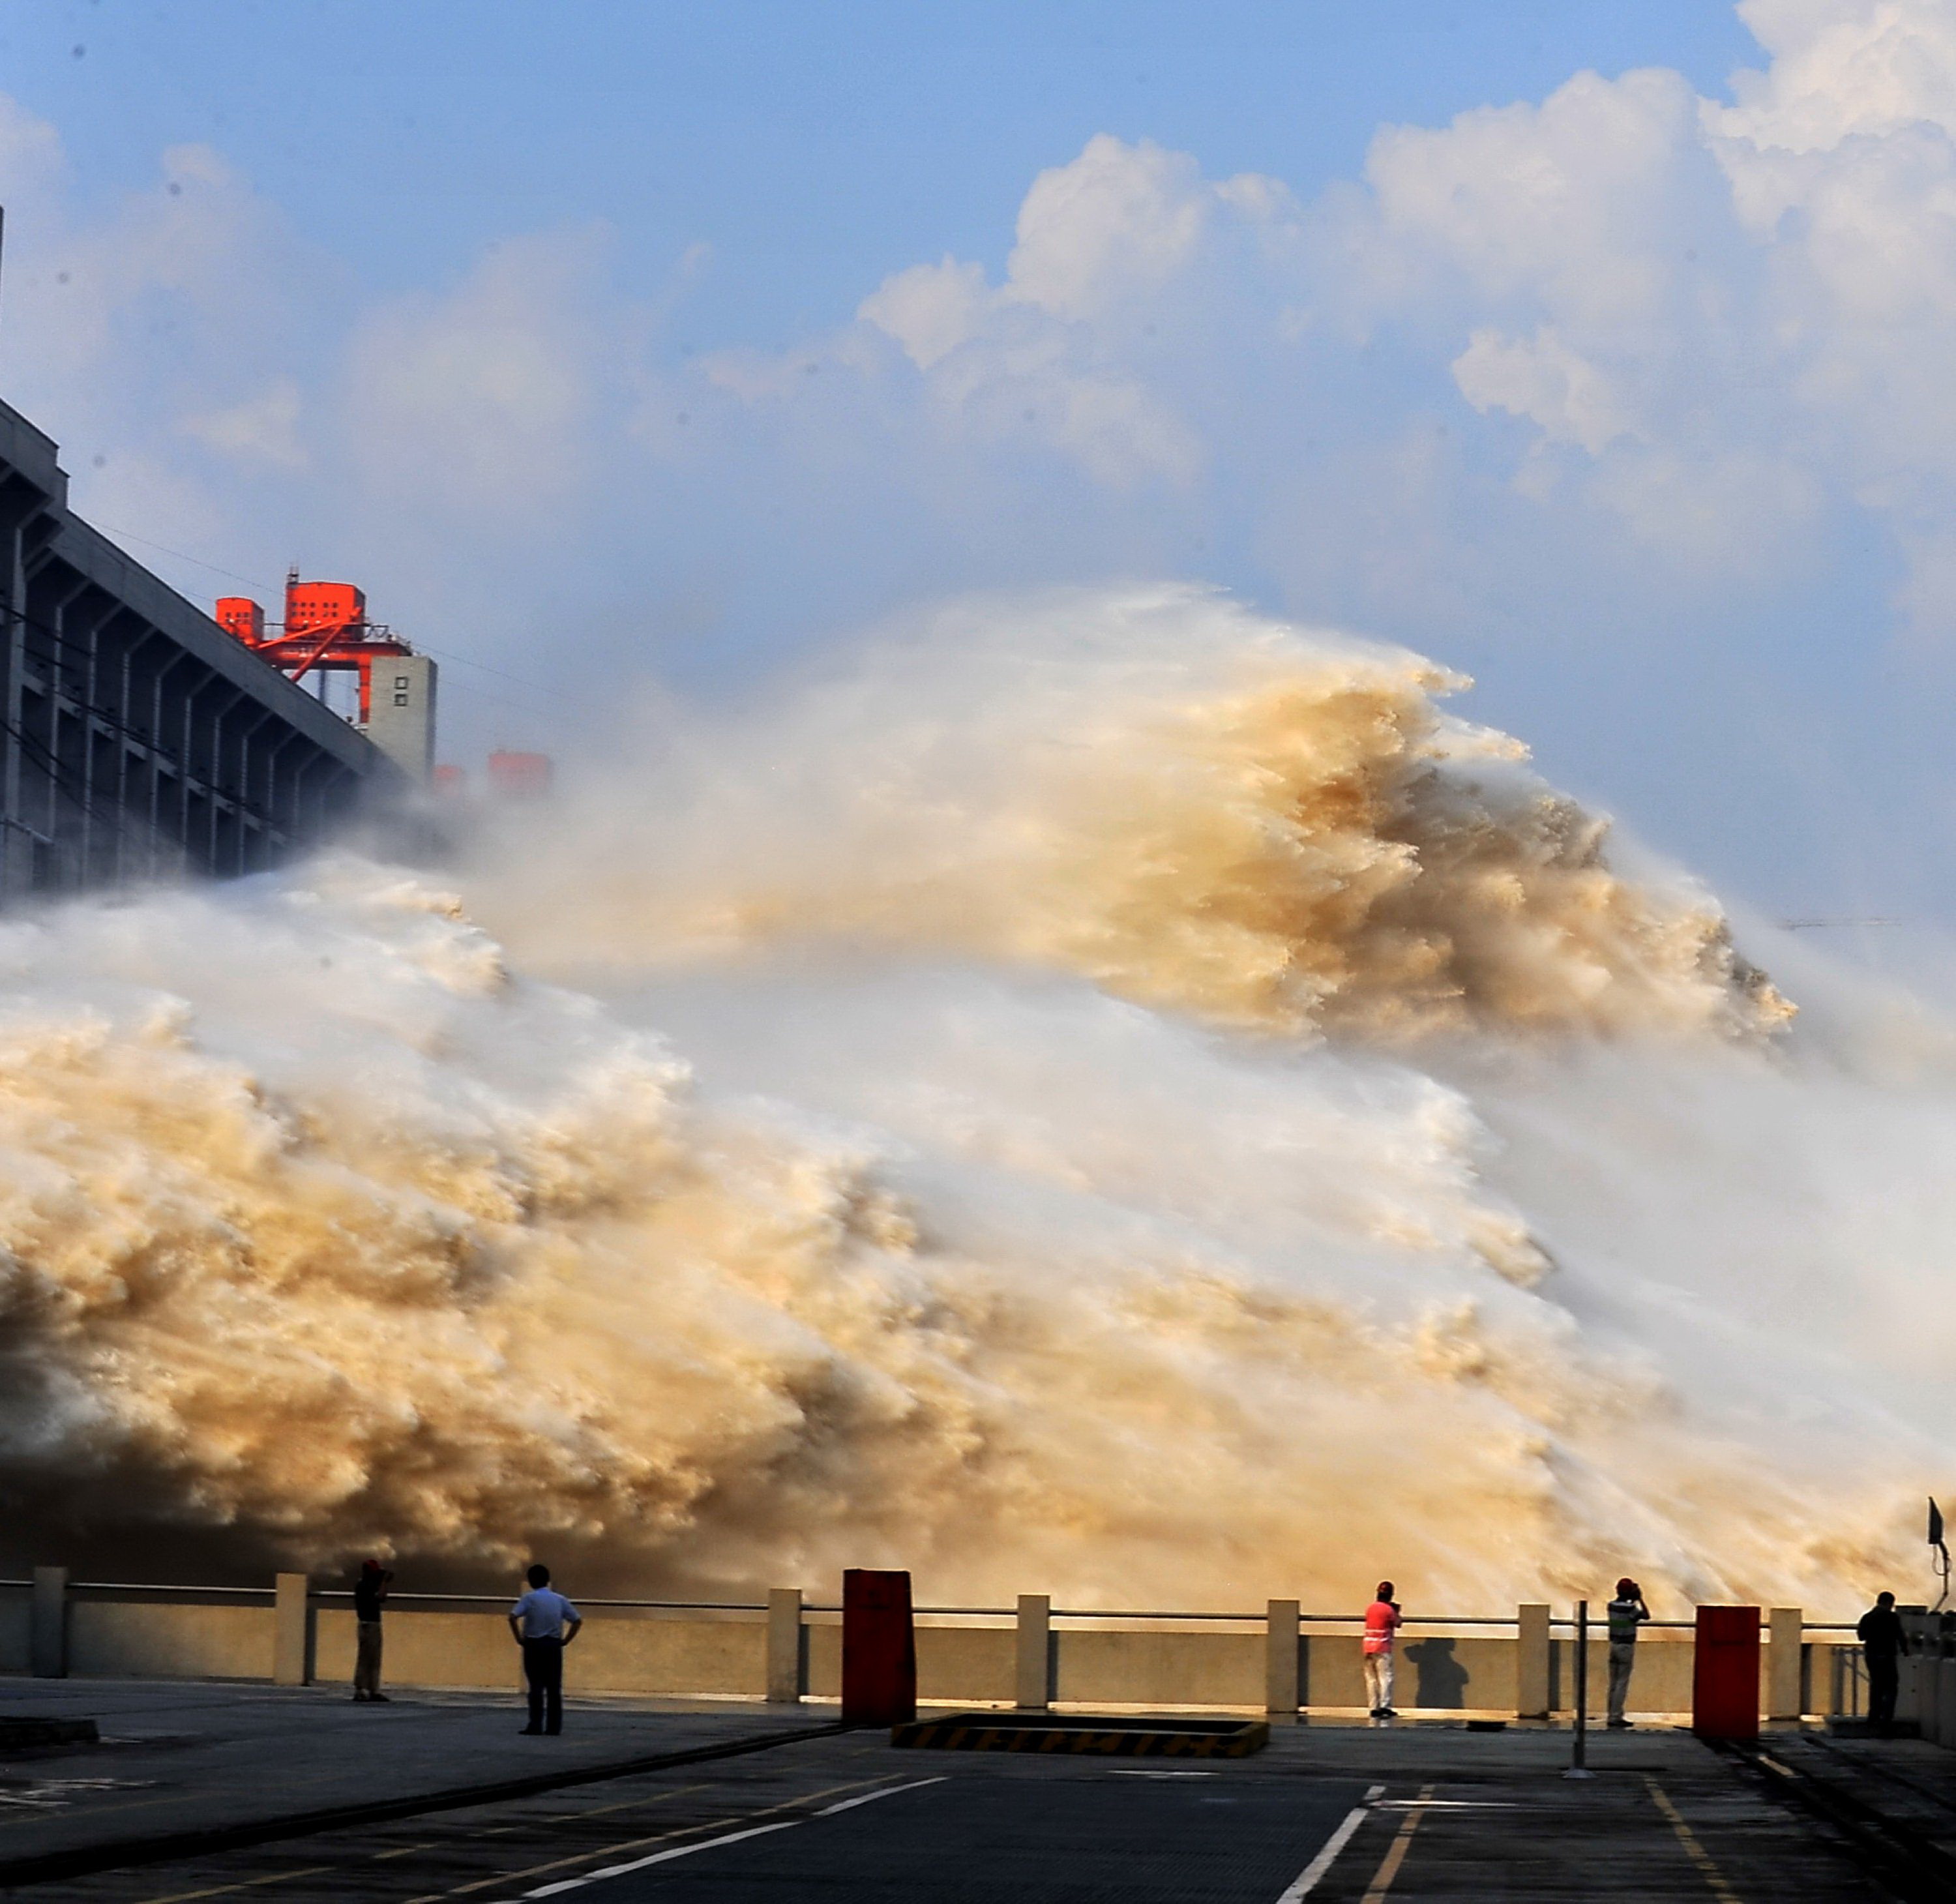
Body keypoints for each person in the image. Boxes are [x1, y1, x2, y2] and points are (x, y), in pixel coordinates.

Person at [509, 1563, 582, 1736]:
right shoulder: (560, 1599)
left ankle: (535, 1725)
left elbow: (512, 1617)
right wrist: (565, 1641)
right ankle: (554, 1727)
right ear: (548, 1580)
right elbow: (577, 1621)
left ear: (531, 1580)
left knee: (536, 1687)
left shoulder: (529, 1598)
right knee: (554, 1688)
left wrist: (519, 1638)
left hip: (533, 1645)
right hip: (553, 1646)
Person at [1605, 1577, 1650, 1728]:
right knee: (1622, 1683)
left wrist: (1632, 1598)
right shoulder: (1630, 1609)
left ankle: (1611, 1713)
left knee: (1613, 1682)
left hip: (1613, 1645)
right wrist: (1640, 1599)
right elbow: (1646, 1615)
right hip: (1626, 1647)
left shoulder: (1611, 1606)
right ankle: (1616, 1716)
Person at [1859, 1590, 1906, 1733]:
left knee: (1876, 1686)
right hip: (1887, 1656)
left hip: (1872, 1656)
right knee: (1891, 1688)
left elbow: (1861, 1636)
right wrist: (1905, 1650)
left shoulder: (1867, 1617)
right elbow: (1900, 1636)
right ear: (1890, 1603)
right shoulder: (1892, 1618)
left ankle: (1873, 1717)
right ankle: (1886, 1720)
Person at [351, 1558, 394, 1703]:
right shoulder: (366, 1586)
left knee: (366, 1658)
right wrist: (384, 1582)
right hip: (371, 1625)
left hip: (365, 1625)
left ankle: (365, 1689)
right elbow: (381, 1597)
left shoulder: (362, 1584)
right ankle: (367, 1689)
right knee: (370, 1659)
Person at [1363, 1581, 1402, 1718]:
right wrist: (1396, 1611)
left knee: (1371, 1678)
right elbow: (1398, 1623)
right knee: (1385, 1678)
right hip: (1383, 1647)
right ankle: (1385, 1706)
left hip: (1368, 1647)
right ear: (1390, 1595)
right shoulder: (1388, 1610)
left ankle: (1373, 1707)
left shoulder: (1370, 1608)